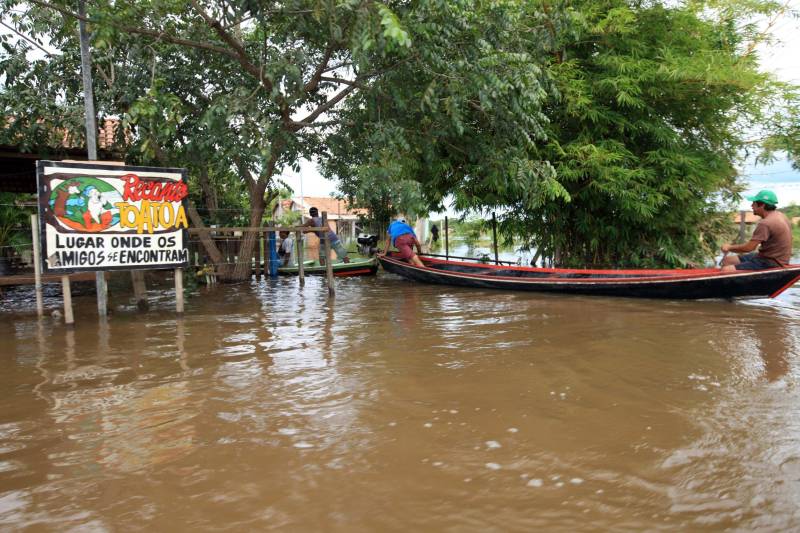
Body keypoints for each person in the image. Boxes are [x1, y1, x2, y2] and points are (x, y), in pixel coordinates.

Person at [720, 190, 792, 271]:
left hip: (772, 262)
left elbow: (748, 248)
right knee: (727, 260)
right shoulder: (781, 215)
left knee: (726, 270)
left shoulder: (765, 223)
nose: (751, 206)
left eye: (754, 203)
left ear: (762, 205)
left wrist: (729, 247)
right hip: (768, 257)